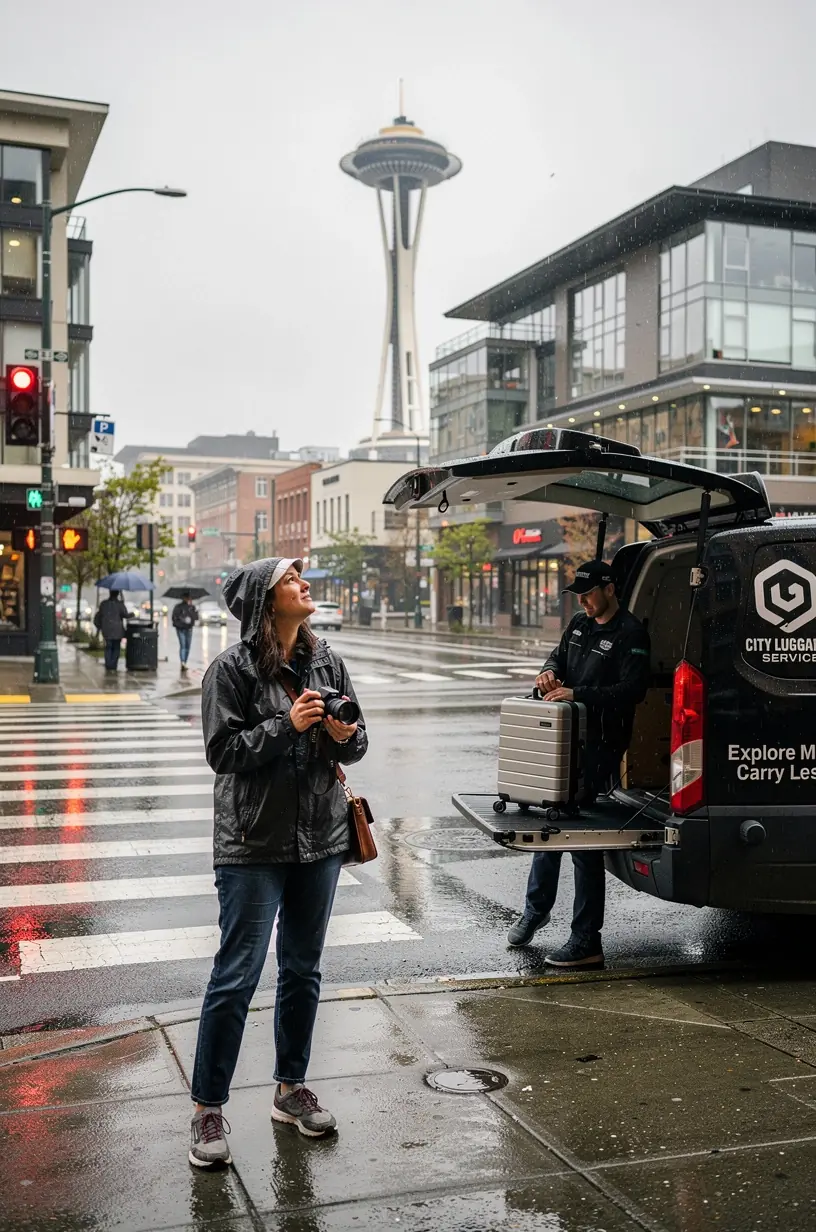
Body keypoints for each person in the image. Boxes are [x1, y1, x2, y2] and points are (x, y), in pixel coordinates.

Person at [189, 557, 367, 1169]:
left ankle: (291, 1089)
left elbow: (358, 740)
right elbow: (222, 752)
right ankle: (208, 1107)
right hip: (253, 844)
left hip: (320, 838)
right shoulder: (230, 670)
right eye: (291, 580)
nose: (304, 584)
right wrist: (286, 726)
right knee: (236, 974)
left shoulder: (326, 661)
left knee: (302, 969)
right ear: (266, 601)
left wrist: (344, 737)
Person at [507, 559, 650, 969]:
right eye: (579, 595)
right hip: (566, 737)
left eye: (588, 594)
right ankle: (536, 910)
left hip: (602, 743)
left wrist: (578, 694)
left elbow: (633, 691)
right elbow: (557, 659)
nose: (583, 601)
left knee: (580, 836)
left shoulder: (630, 633)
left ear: (609, 589)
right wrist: (548, 674)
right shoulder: (579, 624)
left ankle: (587, 939)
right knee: (550, 820)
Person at [93, 589, 129, 672]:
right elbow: (125, 615)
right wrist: (132, 614)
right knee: (116, 647)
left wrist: (100, 626)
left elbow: (99, 615)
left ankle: (108, 664)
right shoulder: (119, 604)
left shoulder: (104, 604)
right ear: (117, 594)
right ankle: (113, 665)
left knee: (108, 647)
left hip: (107, 630)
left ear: (110, 593)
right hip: (117, 630)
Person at [172, 592, 199, 671]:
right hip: (181, 629)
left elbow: (196, 617)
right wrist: (180, 622)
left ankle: (184, 663)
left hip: (189, 629)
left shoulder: (192, 607)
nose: (188, 599)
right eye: (186, 597)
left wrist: (193, 611)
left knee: (187, 646)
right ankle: (183, 662)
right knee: (183, 646)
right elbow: (174, 618)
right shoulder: (178, 607)